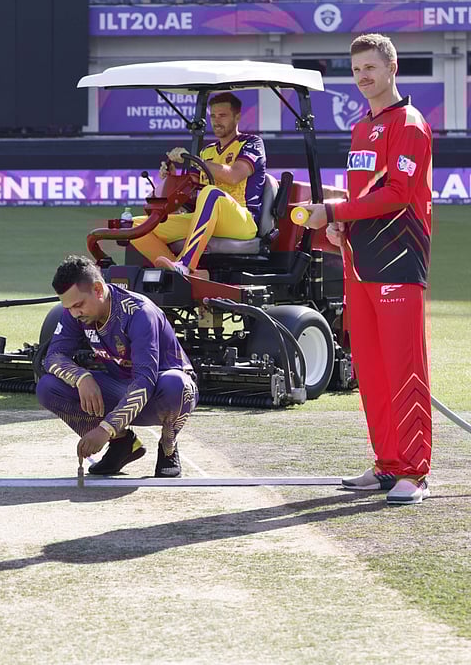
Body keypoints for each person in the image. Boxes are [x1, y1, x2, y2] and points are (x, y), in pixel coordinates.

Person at [298, 33, 433, 506]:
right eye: (356, 70)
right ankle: (387, 463)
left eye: (371, 68)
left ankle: (414, 472)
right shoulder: (361, 128)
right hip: (360, 262)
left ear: (392, 68)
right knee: (371, 371)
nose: (362, 77)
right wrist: (342, 227)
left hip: (399, 261)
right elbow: (363, 197)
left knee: (404, 369)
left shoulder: (410, 124)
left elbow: (397, 193)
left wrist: (333, 212)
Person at [36, 255, 197, 477]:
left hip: (159, 394)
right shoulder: (75, 314)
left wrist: (105, 428)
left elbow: (145, 380)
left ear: (98, 290)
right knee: (48, 387)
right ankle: (122, 444)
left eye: (78, 305)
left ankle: (168, 446)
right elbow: (53, 357)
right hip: (121, 388)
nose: (74, 313)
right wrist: (81, 377)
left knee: (177, 384)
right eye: (68, 308)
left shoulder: (139, 313)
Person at [130, 92, 267, 278]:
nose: (216, 121)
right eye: (213, 116)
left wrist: (196, 161)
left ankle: (186, 265)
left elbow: (234, 176)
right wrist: (172, 177)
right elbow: (190, 195)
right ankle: (176, 272)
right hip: (207, 218)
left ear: (237, 117)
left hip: (242, 221)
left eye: (223, 115)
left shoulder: (252, 143)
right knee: (137, 225)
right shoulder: (207, 151)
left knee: (211, 193)